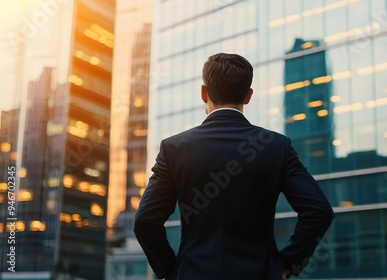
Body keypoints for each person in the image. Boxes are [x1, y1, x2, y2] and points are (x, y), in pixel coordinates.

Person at [134, 53, 334, 280]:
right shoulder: (277, 146)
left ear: (203, 93)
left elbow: (145, 222)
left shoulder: (174, 149)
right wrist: (285, 266)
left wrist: (172, 271)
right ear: (248, 96)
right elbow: (319, 212)